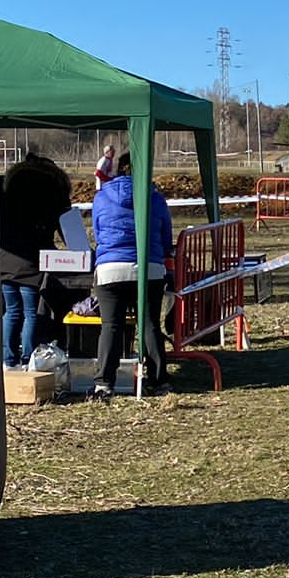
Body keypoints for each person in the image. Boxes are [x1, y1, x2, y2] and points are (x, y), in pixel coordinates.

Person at [89, 152, 175, 400]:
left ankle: (104, 382)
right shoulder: (155, 198)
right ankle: (160, 381)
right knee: (149, 325)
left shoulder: (101, 196)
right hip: (149, 269)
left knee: (111, 326)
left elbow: (97, 231)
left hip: (109, 269)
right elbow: (165, 236)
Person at [0, 154, 73, 369]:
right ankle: (29, 359)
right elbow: (69, 231)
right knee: (31, 313)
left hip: (6, 262)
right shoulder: (50, 196)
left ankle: (8, 360)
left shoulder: (7, 194)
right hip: (32, 262)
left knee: (11, 311)